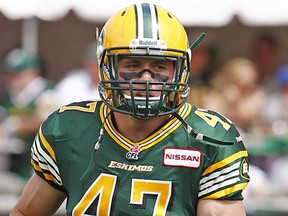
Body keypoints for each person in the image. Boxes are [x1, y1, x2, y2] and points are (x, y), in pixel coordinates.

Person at [10, 3, 250, 216]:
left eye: (159, 64)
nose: (146, 78)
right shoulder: (68, 130)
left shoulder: (209, 139)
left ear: (180, 70)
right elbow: (25, 211)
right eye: (132, 64)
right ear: (106, 68)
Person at [1, 48, 59, 179]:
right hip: (14, 157)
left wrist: (14, 125)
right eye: (11, 75)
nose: (13, 79)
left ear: (33, 72)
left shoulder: (47, 92)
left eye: (18, 74)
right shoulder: (10, 94)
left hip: (40, 158)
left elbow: (46, 122)